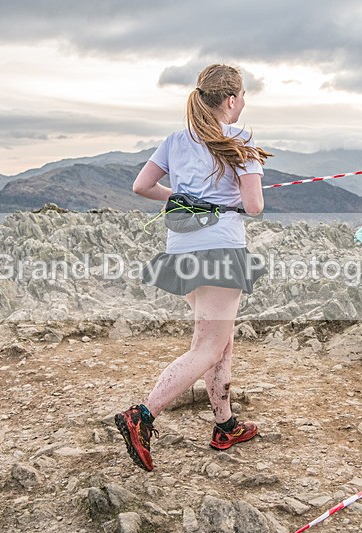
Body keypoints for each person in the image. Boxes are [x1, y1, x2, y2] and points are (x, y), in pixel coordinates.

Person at [114, 64, 271, 471]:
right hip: (221, 250)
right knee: (208, 345)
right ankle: (142, 415)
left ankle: (226, 425)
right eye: (242, 98)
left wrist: (184, 197)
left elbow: (142, 187)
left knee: (220, 341)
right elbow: (254, 207)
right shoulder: (241, 140)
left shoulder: (176, 140)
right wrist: (235, 192)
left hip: (181, 249)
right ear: (232, 100)